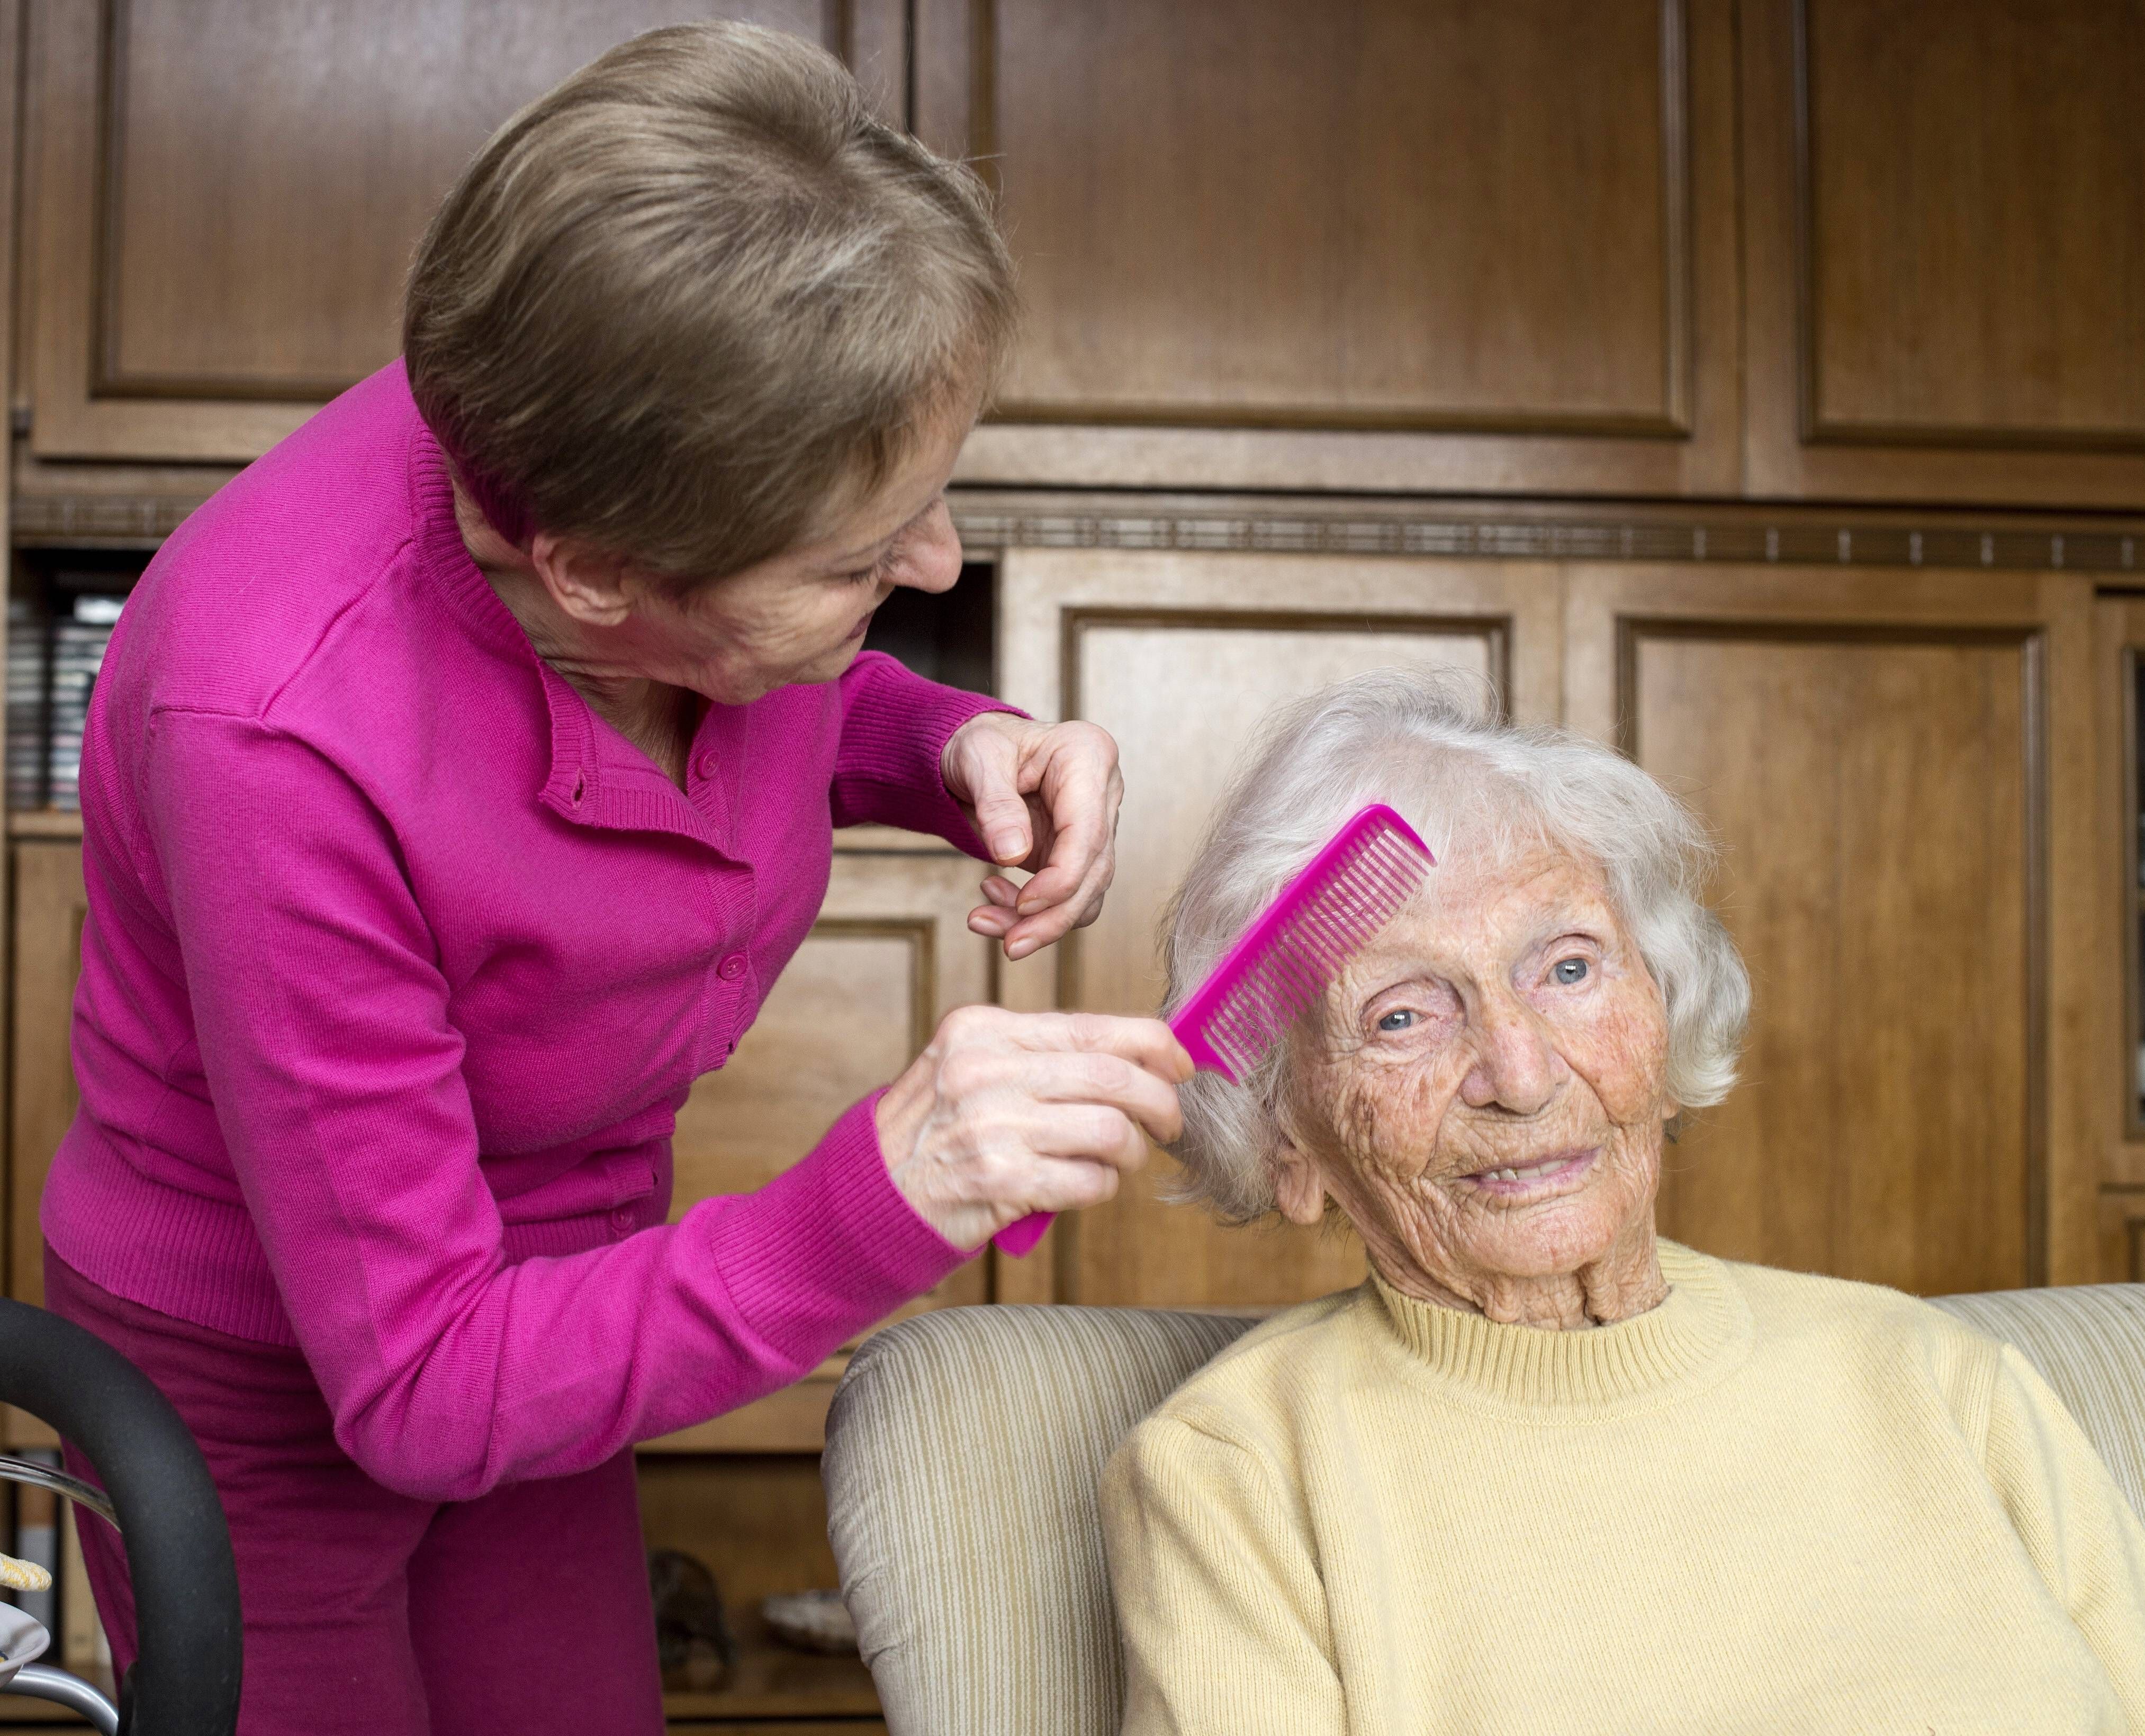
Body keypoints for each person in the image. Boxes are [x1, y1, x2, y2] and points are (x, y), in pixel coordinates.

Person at [40, 24, 1188, 1736]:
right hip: (271, 1387)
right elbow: (422, 1381)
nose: (936, 565)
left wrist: (941, 743)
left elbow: (764, 680)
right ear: (588, 572)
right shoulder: (274, 731)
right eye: (867, 559)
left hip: (563, 1300)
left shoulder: (626, 472)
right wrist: (887, 1188)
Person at [1102, 670, 2145, 1734]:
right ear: (1286, 1137)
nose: (1518, 1070)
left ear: (1667, 1005)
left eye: (1566, 966)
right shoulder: (1239, 1472)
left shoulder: (1934, 1377)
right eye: (1404, 1015)